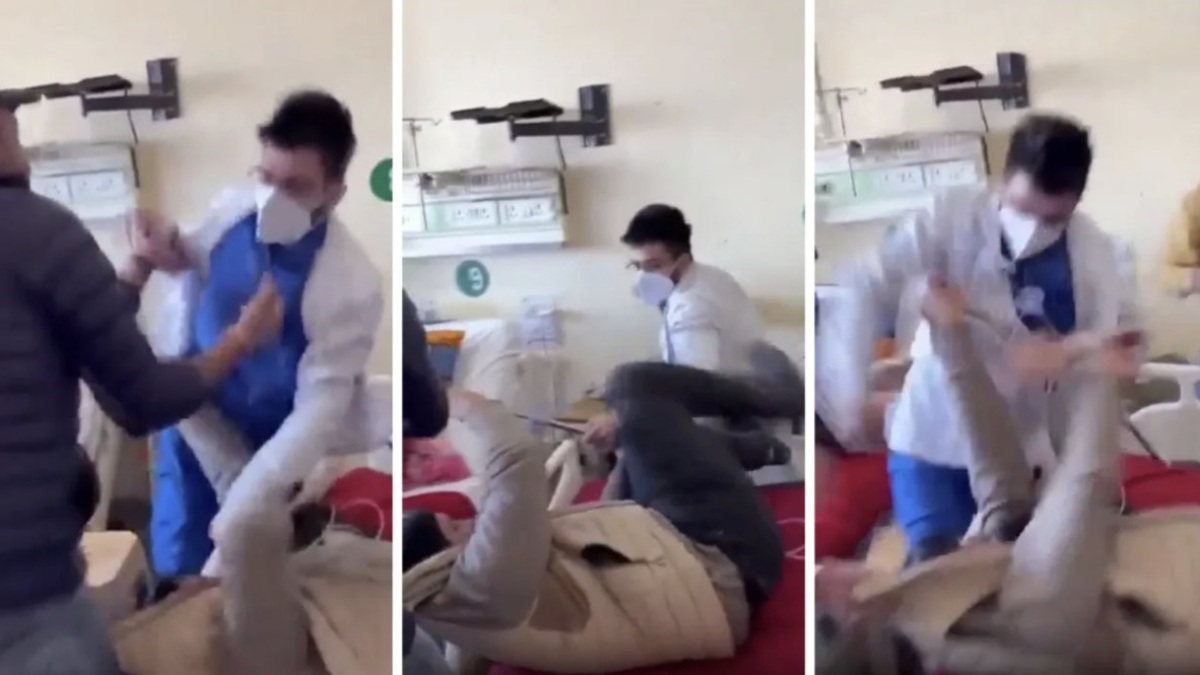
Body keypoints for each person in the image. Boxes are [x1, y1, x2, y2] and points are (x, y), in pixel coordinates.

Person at [0, 104, 281, 673]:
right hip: (26, 599)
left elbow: (70, 328)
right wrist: (240, 340)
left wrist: (135, 272)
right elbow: (141, 399)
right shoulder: (35, 228)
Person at [817, 113, 1142, 564]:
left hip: (1024, 452)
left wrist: (1077, 354)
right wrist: (848, 400)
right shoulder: (948, 221)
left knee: (1026, 572)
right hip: (934, 442)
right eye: (1024, 211)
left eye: (1053, 219)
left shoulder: (1096, 254)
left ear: (1076, 203)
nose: (1034, 229)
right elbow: (866, 283)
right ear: (1002, 181)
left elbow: (1122, 339)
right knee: (937, 575)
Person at [816, 281, 1154, 675]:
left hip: (963, 599)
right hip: (1013, 615)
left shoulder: (912, 617)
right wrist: (1095, 368)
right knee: (1070, 490)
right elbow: (1085, 479)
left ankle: (951, 333)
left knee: (1008, 495)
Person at [402, 345, 802, 673]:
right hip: (725, 559)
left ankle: (757, 447)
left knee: (642, 433)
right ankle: (776, 401)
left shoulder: (459, 610)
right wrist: (457, 401)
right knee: (633, 386)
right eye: (455, 528)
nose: (470, 521)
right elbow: (516, 461)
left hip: (681, 552)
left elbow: (605, 550)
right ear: (437, 562)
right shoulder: (480, 586)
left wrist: (624, 454)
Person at [143, 90, 385, 579]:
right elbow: (194, 258)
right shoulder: (233, 209)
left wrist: (247, 499)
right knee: (180, 563)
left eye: (295, 186)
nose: (273, 197)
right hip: (198, 416)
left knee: (254, 571)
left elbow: (318, 411)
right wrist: (168, 248)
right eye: (266, 178)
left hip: (273, 447)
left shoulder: (350, 284)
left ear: (334, 192)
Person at [585, 204, 791, 457]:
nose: (643, 277)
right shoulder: (711, 278)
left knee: (630, 439)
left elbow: (695, 389)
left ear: (681, 261)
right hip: (752, 401)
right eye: (637, 267)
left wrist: (623, 420)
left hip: (734, 423)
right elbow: (683, 364)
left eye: (653, 266)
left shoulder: (691, 307)